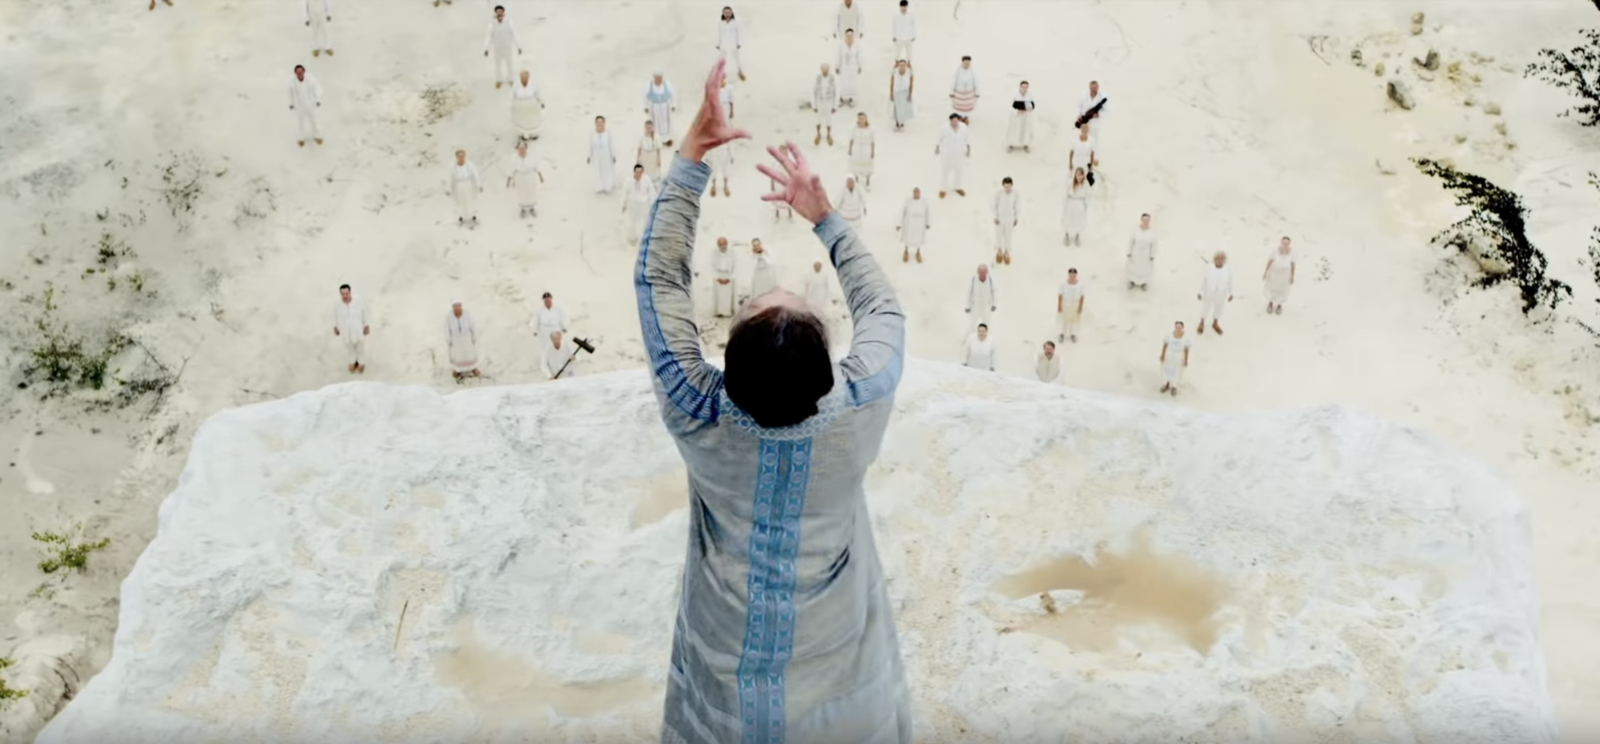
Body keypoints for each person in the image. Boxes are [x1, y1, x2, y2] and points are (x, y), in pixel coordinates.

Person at [633, 59, 910, 744]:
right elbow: (882, 310)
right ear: (829, 373)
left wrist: (691, 157)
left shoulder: (697, 408)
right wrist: (825, 218)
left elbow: (659, 280)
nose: (774, 289)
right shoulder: (860, 401)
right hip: (834, 633)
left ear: (725, 369)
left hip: (725, 636)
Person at [332, 283, 370, 374]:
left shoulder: (358, 302)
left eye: (347, 293)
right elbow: (334, 316)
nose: (345, 296)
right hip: (346, 332)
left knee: (360, 348)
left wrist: (366, 325)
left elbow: (365, 312)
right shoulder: (337, 305)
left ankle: (361, 363)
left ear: (350, 292)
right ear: (340, 294)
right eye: (343, 294)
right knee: (350, 349)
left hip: (358, 330)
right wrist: (335, 327)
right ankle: (352, 362)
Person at [483, 5, 522, 89]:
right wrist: (486, 48)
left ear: (504, 13)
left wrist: (519, 46)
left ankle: (511, 79)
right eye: (498, 12)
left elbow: (515, 34)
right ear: (495, 13)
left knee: (509, 64)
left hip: (507, 48)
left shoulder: (509, 22)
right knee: (498, 65)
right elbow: (488, 37)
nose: (499, 14)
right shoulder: (492, 24)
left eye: (501, 12)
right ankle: (499, 80)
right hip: (498, 49)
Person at [1197, 250, 1233, 335]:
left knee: (1219, 309)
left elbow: (1230, 282)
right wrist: (1200, 292)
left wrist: (1231, 293)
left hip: (1221, 293)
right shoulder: (1209, 268)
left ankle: (1215, 323)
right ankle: (1202, 322)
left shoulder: (1228, 269)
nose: (1220, 260)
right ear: (1214, 259)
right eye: (1218, 258)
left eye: (1222, 258)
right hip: (1209, 292)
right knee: (1205, 308)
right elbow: (1203, 280)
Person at [709, 82, 736, 197]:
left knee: (725, 169)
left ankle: (725, 185)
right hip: (715, 151)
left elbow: (730, 142)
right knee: (714, 169)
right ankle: (713, 185)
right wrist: (707, 156)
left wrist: (732, 154)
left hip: (724, 151)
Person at [935, 113, 970, 198]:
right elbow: (939, 138)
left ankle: (957, 187)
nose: (954, 123)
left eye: (956, 121)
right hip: (947, 154)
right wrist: (937, 148)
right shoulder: (944, 127)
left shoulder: (964, 128)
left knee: (958, 171)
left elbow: (968, 139)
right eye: (952, 121)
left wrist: (968, 149)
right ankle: (943, 189)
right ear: (950, 121)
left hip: (959, 154)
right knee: (945, 172)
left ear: (959, 120)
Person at [288, 65, 324, 147]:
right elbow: (290, 93)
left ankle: (318, 136)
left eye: (301, 72)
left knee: (315, 121)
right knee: (300, 123)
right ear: (295, 73)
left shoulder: (310, 79)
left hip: (310, 104)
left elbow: (316, 88)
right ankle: (301, 139)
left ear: (304, 72)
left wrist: (318, 100)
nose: (300, 74)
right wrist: (291, 103)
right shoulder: (292, 82)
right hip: (300, 106)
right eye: (298, 72)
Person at [622, 164, 658, 243]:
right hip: (632, 203)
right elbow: (625, 193)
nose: (638, 174)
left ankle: (644, 237)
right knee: (632, 221)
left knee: (645, 221)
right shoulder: (628, 181)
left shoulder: (646, 180)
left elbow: (651, 191)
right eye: (637, 172)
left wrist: (653, 203)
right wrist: (623, 204)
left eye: (640, 172)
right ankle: (632, 237)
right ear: (634, 172)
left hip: (643, 203)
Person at [507, 142, 544, 218]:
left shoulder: (532, 156)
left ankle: (532, 208)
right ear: (517, 150)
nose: (522, 151)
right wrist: (509, 180)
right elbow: (511, 169)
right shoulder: (514, 157)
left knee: (532, 193)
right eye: (520, 149)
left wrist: (540, 176)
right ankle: (523, 209)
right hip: (520, 178)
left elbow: (537, 166)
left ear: (526, 149)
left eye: (523, 149)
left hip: (530, 177)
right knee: (522, 194)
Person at [448, 150, 482, 228]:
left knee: (471, 200)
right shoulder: (453, 166)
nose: (461, 158)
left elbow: (475, 175)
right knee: (460, 201)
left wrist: (478, 185)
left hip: (468, 185)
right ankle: (461, 217)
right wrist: (449, 188)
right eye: (459, 156)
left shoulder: (470, 165)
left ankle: (473, 216)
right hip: (458, 186)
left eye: (463, 156)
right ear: (456, 157)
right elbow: (450, 178)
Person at [446, 300, 480, 379]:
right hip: (456, 340)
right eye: (455, 306)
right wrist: (448, 339)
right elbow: (446, 328)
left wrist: (474, 336)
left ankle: (473, 368)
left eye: (459, 305)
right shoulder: (448, 316)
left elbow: (472, 325)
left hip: (467, 338)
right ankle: (457, 370)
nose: (457, 308)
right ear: (452, 307)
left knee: (470, 354)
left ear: (461, 306)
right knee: (457, 356)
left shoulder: (467, 313)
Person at [1262, 236, 1296, 314]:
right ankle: (1270, 303)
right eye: (1284, 243)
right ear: (1281, 242)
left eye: (1287, 243)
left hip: (1285, 274)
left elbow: (1293, 265)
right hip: (1275, 272)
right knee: (1272, 287)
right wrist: (1266, 272)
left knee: (1282, 289)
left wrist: (1292, 276)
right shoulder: (1275, 251)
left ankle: (1279, 305)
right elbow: (1270, 261)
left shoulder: (1292, 253)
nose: (1285, 245)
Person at [510, 70, 545, 142]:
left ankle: (534, 134)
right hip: (520, 107)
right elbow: (511, 96)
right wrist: (511, 104)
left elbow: (538, 94)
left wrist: (541, 102)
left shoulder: (534, 85)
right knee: (522, 122)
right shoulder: (516, 86)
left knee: (533, 121)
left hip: (531, 107)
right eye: (523, 77)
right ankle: (524, 135)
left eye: (526, 77)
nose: (524, 79)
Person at [644, 72, 679, 146]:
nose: (659, 80)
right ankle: (655, 139)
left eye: (660, 78)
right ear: (654, 78)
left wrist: (673, 105)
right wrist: (646, 106)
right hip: (654, 107)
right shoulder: (649, 85)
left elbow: (673, 94)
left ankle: (668, 139)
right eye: (657, 78)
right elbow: (645, 96)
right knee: (655, 123)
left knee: (667, 123)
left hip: (665, 107)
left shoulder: (667, 84)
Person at [897, 186, 930, 263]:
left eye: (918, 193)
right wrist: (899, 223)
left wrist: (928, 222)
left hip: (920, 224)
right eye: (915, 192)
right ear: (913, 193)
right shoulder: (908, 201)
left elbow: (928, 212)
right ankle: (906, 251)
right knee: (907, 237)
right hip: (909, 223)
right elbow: (901, 211)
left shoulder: (924, 202)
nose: (916, 194)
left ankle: (918, 253)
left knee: (919, 238)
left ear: (920, 193)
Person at [992, 177, 1019, 265]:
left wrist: (1016, 217)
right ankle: (999, 251)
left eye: (1009, 186)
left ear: (1012, 185)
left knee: (1008, 236)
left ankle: (1006, 252)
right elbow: (994, 205)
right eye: (1006, 186)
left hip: (1010, 219)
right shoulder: (999, 194)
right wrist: (995, 216)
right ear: (1003, 186)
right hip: (1000, 218)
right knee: (998, 235)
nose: (1007, 188)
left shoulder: (1015, 194)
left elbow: (1017, 206)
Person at [1159, 321, 1190, 396]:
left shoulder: (1186, 337)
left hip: (1179, 355)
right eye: (1177, 327)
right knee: (1167, 369)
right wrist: (1162, 355)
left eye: (1180, 327)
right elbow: (1165, 345)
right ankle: (1166, 384)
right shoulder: (1169, 335)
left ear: (1182, 327)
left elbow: (1186, 349)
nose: (1178, 328)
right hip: (1170, 354)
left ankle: (1174, 386)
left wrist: (1186, 359)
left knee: (1177, 370)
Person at [1127, 213, 1157, 290]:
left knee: (1144, 268)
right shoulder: (1135, 230)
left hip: (1145, 254)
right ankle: (1132, 281)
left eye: (1147, 220)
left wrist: (1152, 255)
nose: (1145, 221)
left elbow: (1153, 244)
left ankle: (1143, 283)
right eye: (1144, 219)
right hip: (1136, 253)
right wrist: (1129, 252)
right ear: (1141, 220)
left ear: (1149, 220)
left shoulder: (1152, 232)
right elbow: (1131, 241)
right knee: (1134, 267)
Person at [1061, 167, 1090, 246]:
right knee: (1068, 221)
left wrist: (1086, 206)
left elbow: (1087, 196)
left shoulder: (1085, 185)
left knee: (1079, 222)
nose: (1079, 177)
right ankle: (1067, 235)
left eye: (1081, 175)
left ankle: (1077, 236)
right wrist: (1065, 204)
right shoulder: (1070, 183)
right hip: (1071, 204)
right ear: (1075, 175)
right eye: (1078, 175)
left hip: (1080, 206)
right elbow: (1066, 194)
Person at [1055, 268, 1085, 343]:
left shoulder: (1080, 284)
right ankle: (1062, 334)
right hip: (1066, 302)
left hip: (1075, 303)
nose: (1072, 276)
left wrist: (1080, 307)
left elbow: (1082, 296)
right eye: (1071, 274)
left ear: (1076, 275)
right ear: (1068, 275)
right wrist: (1059, 305)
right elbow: (1060, 294)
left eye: (1074, 274)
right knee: (1064, 319)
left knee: (1073, 320)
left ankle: (1073, 334)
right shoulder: (1063, 283)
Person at [716, 6, 746, 82]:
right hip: (724, 44)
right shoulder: (720, 22)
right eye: (726, 12)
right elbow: (718, 33)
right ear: (723, 13)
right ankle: (721, 75)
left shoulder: (736, 21)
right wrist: (718, 44)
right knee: (721, 60)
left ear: (731, 13)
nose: (727, 14)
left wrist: (739, 43)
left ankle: (740, 71)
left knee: (737, 59)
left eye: (729, 12)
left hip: (734, 44)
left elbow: (740, 32)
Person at [589, 116, 617, 194]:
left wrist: (613, 155)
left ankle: (608, 186)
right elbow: (590, 145)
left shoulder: (608, 132)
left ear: (604, 123)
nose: (600, 124)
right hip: (596, 155)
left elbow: (611, 145)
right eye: (598, 122)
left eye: (601, 122)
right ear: (595, 123)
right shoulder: (592, 133)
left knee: (607, 170)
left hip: (606, 155)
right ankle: (598, 187)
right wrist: (589, 155)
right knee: (597, 171)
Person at [813, 63, 840, 146]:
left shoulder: (833, 78)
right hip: (819, 101)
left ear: (829, 70)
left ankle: (828, 134)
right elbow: (813, 91)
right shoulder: (817, 78)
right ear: (821, 70)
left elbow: (837, 92)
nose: (825, 71)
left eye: (826, 69)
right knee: (818, 118)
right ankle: (818, 134)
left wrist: (835, 105)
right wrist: (814, 105)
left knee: (829, 119)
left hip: (829, 101)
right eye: (823, 69)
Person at [848, 112, 876, 189]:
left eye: (863, 118)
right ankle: (856, 180)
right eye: (860, 119)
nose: (861, 120)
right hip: (856, 148)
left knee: (867, 164)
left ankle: (867, 182)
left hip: (866, 148)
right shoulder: (855, 128)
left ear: (866, 119)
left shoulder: (870, 129)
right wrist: (850, 149)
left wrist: (873, 151)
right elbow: (851, 139)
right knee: (856, 165)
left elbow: (872, 141)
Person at [837, 29, 863, 108]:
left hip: (853, 67)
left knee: (852, 83)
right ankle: (841, 98)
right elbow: (838, 56)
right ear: (845, 36)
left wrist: (860, 66)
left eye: (851, 36)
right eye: (848, 35)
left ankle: (851, 98)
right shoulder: (841, 45)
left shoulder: (857, 45)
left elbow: (859, 56)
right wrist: (837, 66)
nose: (849, 37)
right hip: (844, 67)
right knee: (842, 83)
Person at [1006, 81, 1035, 152]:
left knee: (1026, 130)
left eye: (1026, 87)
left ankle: (1026, 145)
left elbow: (1032, 106)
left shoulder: (1030, 96)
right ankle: (1011, 145)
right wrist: (1017, 111)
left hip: (1026, 116)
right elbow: (1011, 106)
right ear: (1020, 87)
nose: (1024, 89)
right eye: (1023, 87)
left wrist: (1029, 110)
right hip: (1016, 117)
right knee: (1014, 130)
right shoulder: (1016, 96)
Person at [712, 237, 738, 317]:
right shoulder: (714, 253)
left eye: (724, 244)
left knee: (728, 295)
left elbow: (736, 265)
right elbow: (711, 266)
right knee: (719, 295)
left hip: (729, 274)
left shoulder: (732, 252)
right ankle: (719, 312)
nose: (722, 246)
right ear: (718, 245)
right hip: (718, 274)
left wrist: (730, 278)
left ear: (727, 244)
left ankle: (728, 312)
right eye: (720, 244)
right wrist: (717, 277)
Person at [949, 55, 980, 121]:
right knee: (959, 107)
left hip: (969, 93)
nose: (966, 64)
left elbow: (976, 80)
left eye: (968, 63)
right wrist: (951, 91)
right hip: (959, 92)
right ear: (962, 62)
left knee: (967, 107)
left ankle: (966, 117)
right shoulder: (957, 70)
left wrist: (977, 91)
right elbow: (953, 80)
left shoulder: (973, 70)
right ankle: (959, 117)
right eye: (965, 63)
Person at [889, 58, 915, 131]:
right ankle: (897, 123)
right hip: (896, 92)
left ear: (906, 65)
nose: (902, 66)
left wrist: (910, 94)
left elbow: (911, 84)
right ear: (898, 66)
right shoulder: (894, 72)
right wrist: (891, 94)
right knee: (896, 108)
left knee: (903, 108)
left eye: (903, 65)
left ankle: (902, 123)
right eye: (900, 65)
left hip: (905, 92)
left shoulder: (909, 72)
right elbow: (891, 84)